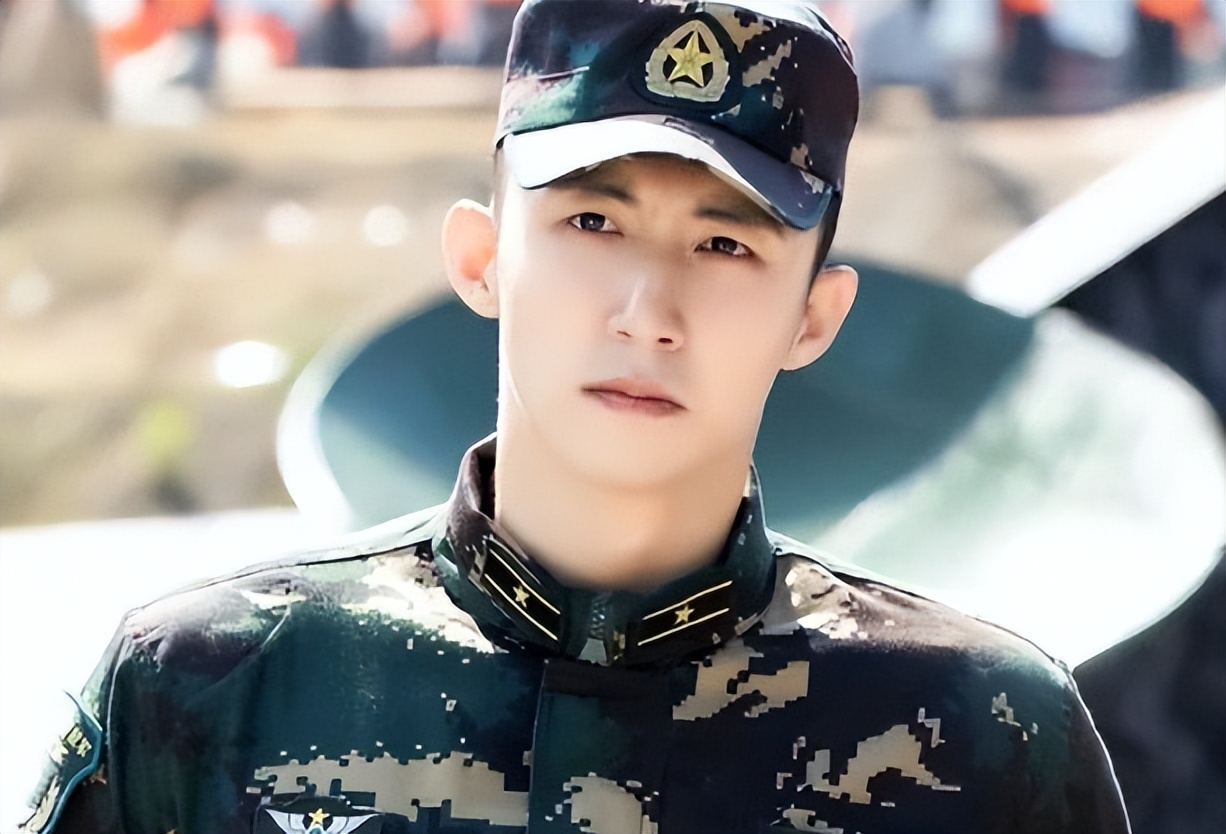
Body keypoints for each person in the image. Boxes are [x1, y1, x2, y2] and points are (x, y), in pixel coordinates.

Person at [22, 1, 1131, 832]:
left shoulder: (985, 732)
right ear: (479, 256)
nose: (649, 313)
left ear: (814, 316)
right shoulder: (212, 687)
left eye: (725, 243)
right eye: (593, 223)